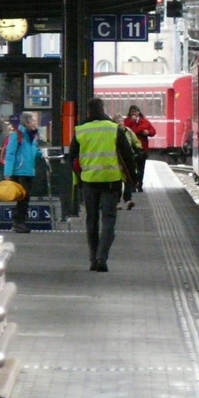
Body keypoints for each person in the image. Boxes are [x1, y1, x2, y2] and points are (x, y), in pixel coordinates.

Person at [69, 97, 137, 272]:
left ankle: (93, 258)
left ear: (89, 112)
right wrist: (130, 184)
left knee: (91, 219)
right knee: (109, 220)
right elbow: (128, 157)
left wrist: (80, 176)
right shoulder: (114, 129)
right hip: (111, 181)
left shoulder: (80, 130)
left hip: (89, 181)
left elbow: (73, 158)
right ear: (103, 109)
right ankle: (102, 258)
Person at [3, 111, 43, 234]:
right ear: (26, 122)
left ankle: (20, 223)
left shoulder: (32, 136)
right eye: (33, 120)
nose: (35, 123)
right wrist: (8, 173)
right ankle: (18, 223)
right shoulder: (17, 135)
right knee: (23, 198)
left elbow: (34, 152)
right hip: (19, 171)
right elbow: (10, 154)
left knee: (25, 198)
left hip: (29, 171)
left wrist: (42, 154)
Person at [123, 105, 156, 192]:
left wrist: (148, 132)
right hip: (131, 149)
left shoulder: (144, 121)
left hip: (142, 148)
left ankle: (140, 184)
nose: (134, 113)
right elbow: (124, 129)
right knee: (131, 168)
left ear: (139, 112)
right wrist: (132, 122)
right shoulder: (127, 121)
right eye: (132, 112)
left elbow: (153, 131)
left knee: (141, 168)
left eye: (136, 111)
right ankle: (133, 185)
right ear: (129, 113)